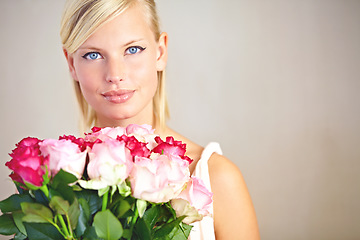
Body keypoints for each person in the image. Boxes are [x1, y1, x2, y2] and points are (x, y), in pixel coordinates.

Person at [60, 0, 260, 239]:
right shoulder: (57, 184)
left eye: (132, 49)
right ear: (72, 63)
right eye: (93, 55)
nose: (115, 75)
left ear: (160, 52)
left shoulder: (217, 179)